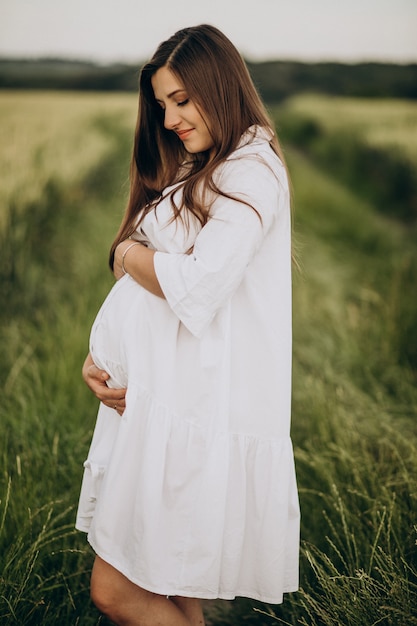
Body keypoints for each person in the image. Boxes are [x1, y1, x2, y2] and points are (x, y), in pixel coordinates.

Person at [76, 24, 300, 626]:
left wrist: (124, 253)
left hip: (196, 416)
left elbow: (196, 286)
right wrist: (108, 358)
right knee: (175, 595)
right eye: (161, 104)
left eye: (181, 99)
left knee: (115, 592)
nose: (170, 117)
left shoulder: (250, 172)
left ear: (220, 86)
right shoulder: (213, 165)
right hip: (169, 407)